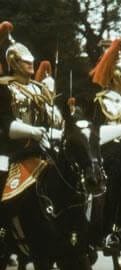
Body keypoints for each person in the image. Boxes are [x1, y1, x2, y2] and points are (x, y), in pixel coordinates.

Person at [0, 21, 63, 202]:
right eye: (25, 60)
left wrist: (59, 133)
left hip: (40, 147)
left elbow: (48, 123)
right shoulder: (5, 87)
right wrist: (32, 132)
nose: (30, 62)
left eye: (31, 59)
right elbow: (7, 125)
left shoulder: (38, 89)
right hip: (11, 148)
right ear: (14, 62)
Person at [90, 38, 121, 246]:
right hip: (109, 153)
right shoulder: (102, 100)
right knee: (118, 176)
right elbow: (97, 134)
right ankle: (110, 227)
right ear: (117, 78)